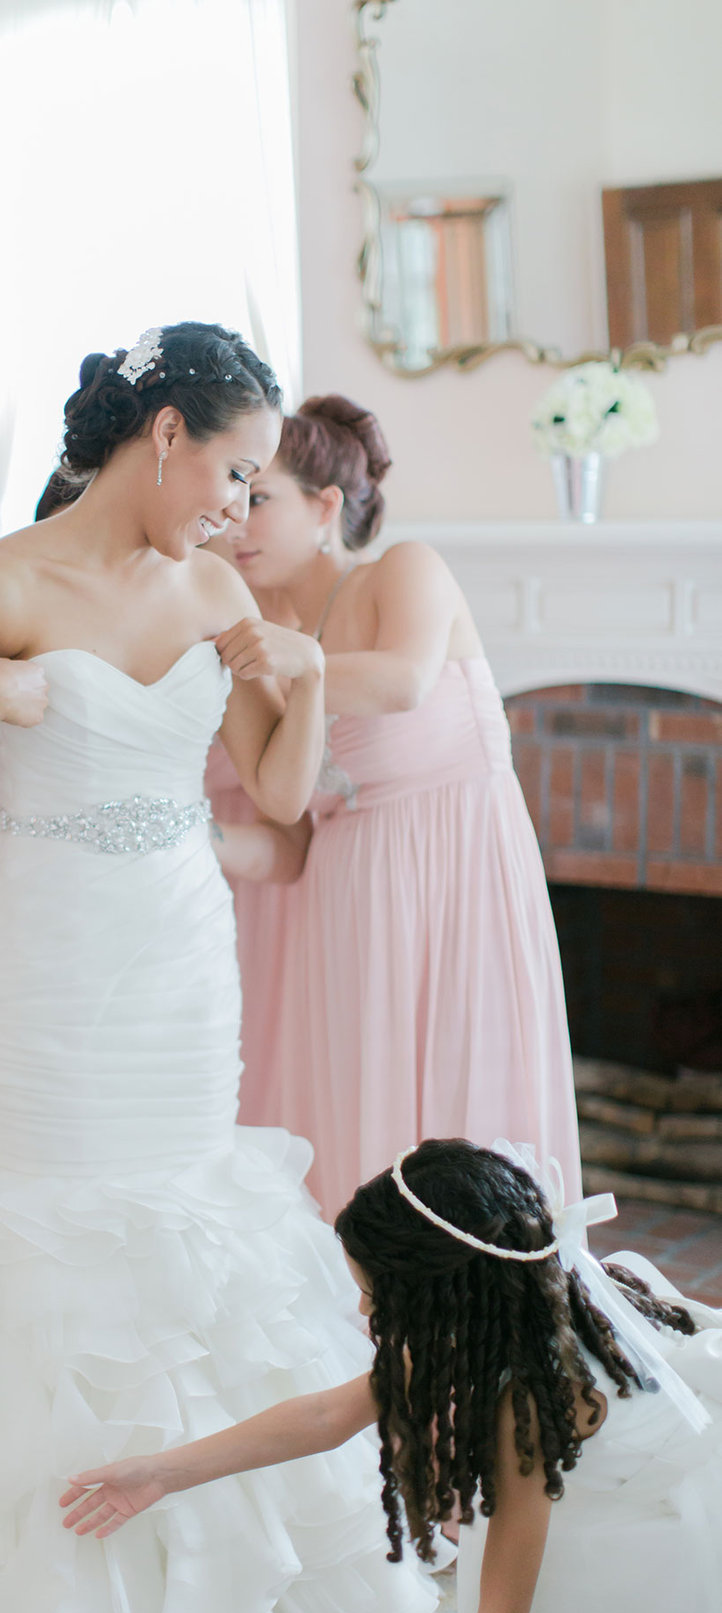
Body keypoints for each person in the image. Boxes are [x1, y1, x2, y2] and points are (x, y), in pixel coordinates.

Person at [0, 322, 439, 1613]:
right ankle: (37, 1572)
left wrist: (308, 675)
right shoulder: (1, 584)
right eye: (232, 469)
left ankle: (217, 1562)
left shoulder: (216, 584)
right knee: (52, 1222)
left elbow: (274, 796)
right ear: (162, 439)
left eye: (259, 483)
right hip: (51, 954)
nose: (238, 507)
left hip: (177, 953)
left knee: (179, 1200)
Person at [63, 1137, 722, 1613]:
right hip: (589, 1498)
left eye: (372, 1293)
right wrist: (161, 1472)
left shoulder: (521, 1398)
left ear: (437, 1296)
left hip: (641, 1552)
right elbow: (327, 1413)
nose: (361, 1307)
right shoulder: (515, 1295)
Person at [209, 395, 580, 1215]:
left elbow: (407, 679)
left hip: (457, 875)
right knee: (359, 1127)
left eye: (259, 499)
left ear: (326, 507)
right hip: (347, 901)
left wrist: (283, 668)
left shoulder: (403, 570)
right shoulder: (268, 637)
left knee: (462, 1113)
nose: (236, 522)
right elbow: (288, 822)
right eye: (231, 499)